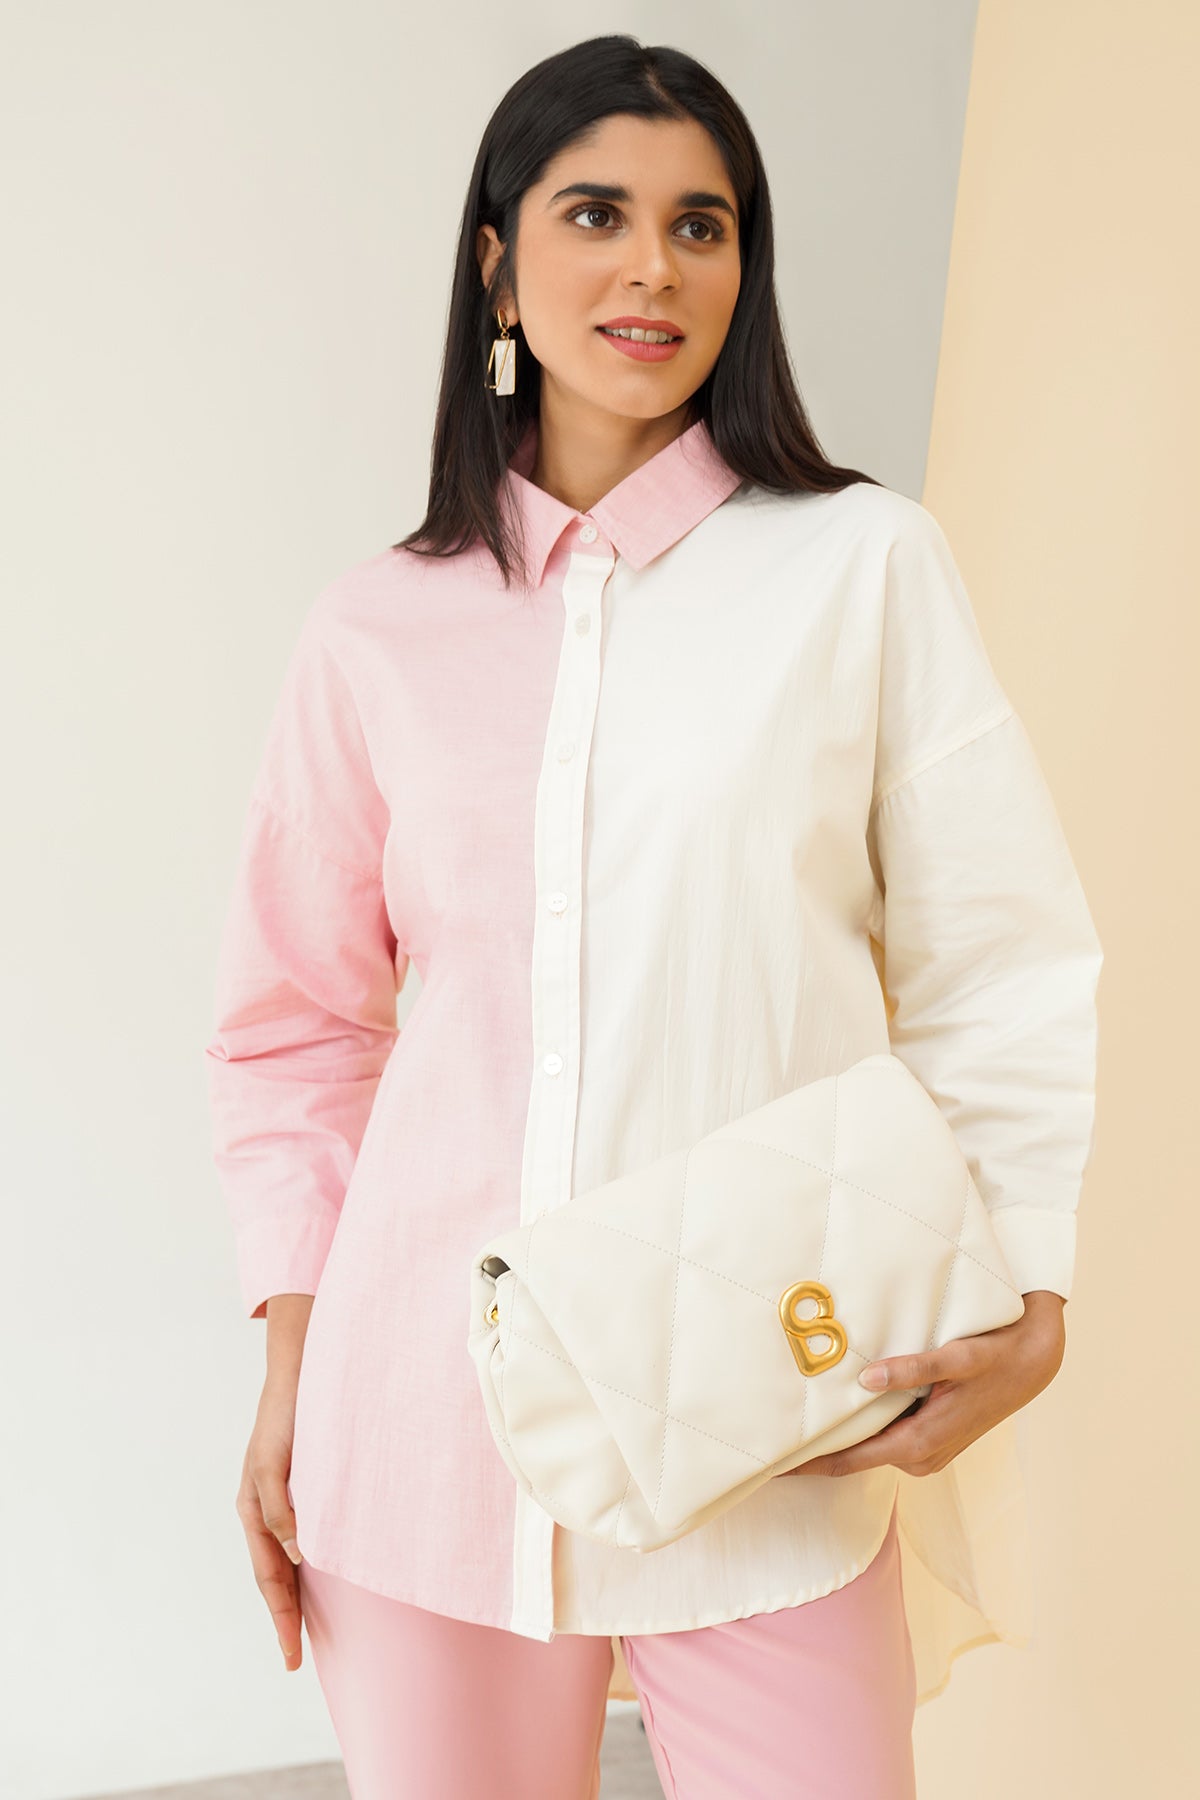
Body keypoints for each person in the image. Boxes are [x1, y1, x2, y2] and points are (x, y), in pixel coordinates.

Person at [203, 34, 1103, 1800]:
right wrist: (293, 1363)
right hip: (426, 1423)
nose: (654, 268)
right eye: (596, 214)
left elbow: (996, 961)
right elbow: (295, 1026)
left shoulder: (861, 569)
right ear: (497, 263)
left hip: (774, 1396)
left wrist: (1029, 1283)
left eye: (703, 226)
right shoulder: (374, 629)